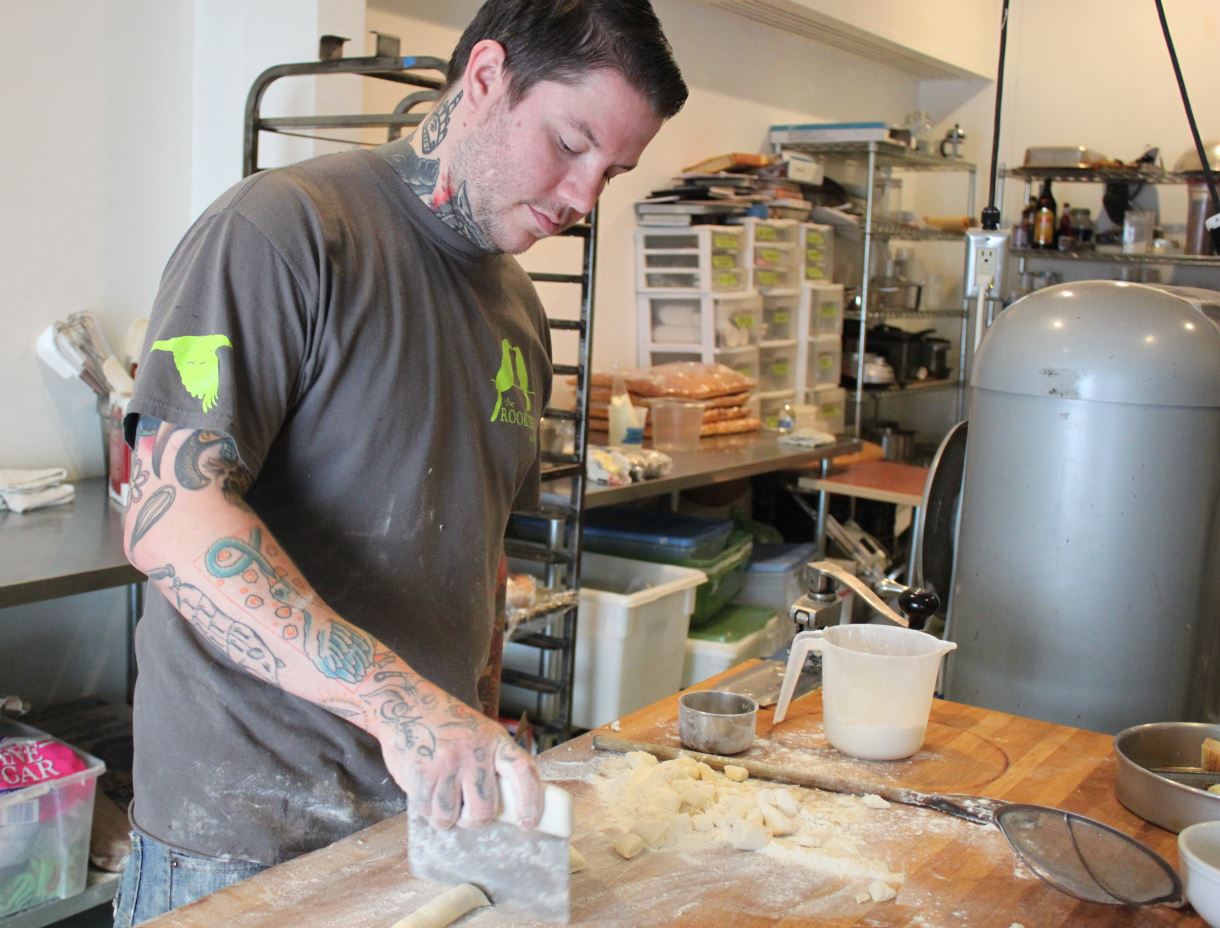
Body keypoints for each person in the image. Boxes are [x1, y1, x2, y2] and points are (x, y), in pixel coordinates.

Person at [114, 1, 687, 923]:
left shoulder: (519, 315)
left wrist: (478, 720)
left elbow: (477, 556)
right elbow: (169, 521)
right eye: (570, 144)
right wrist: (405, 708)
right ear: (488, 77)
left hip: (419, 827)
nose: (584, 198)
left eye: (611, 172)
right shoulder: (285, 232)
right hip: (241, 840)